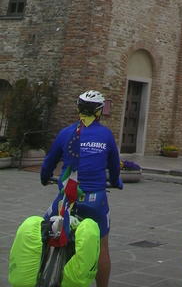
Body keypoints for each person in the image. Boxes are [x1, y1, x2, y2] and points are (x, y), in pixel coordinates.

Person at [41, 89, 122, 287]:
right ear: (98, 112)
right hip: (95, 200)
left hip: (65, 199)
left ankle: (41, 273)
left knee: (44, 230)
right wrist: (117, 181)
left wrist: (45, 178)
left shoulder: (66, 133)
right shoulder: (106, 135)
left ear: (79, 109)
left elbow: (49, 162)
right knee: (102, 246)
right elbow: (114, 166)